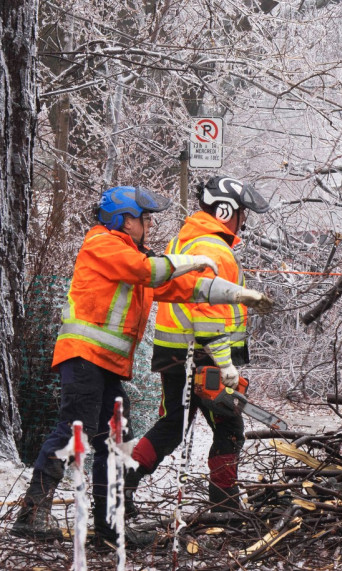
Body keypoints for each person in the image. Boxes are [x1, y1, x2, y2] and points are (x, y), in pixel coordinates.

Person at [11, 186, 272, 550]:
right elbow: (147, 271)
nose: (149, 225)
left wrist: (237, 294)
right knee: (78, 430)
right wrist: (191, 261)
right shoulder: (102, 245)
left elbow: (182, 288)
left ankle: (108, 527)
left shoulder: (132, 255)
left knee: (112, 439)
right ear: (123, 219)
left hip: (105, 364)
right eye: (144, 218)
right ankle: (32, 513)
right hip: (84, 357)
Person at [125, 176, 272, 516]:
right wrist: (225, 365)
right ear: (225, 210)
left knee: (173, 423)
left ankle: (123, 483)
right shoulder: (211, 248)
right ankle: (224, 502)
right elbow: (207, 312)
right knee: (229, 425)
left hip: (177, 351)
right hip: (202, 353)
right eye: (241, 212)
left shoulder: (188, 241)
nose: (243, 220)